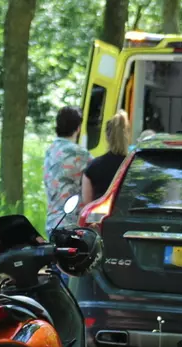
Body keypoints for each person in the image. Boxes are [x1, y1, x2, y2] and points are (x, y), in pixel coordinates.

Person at [43, 106, 93, 284]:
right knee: (70, 280)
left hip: (52, 223)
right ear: (78, 128)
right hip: (72, 225)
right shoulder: (80, 154)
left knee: (56, 276)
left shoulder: (50, 151)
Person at [83, 110, 130, 205]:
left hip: (101, 219)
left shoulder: (93, 167)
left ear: (107, 137)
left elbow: (87, 205)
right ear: (127, 136)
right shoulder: (134, 166)